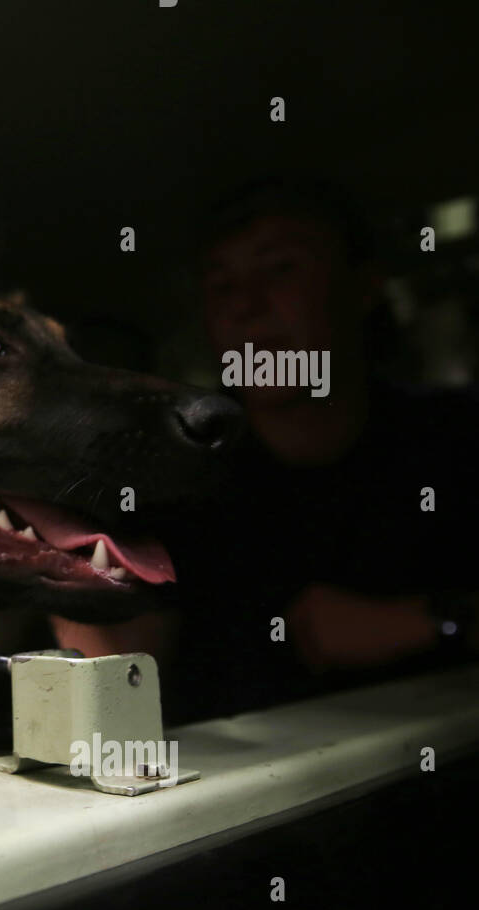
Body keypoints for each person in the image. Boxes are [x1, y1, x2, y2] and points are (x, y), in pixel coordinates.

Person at [52, 178, 479, 724]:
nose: (246, 307)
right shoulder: (171, 478)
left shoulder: (456, 441)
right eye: (222, 285)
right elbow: (114, 687)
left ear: (364, 287)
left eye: (280, 269)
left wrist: (435, 620)